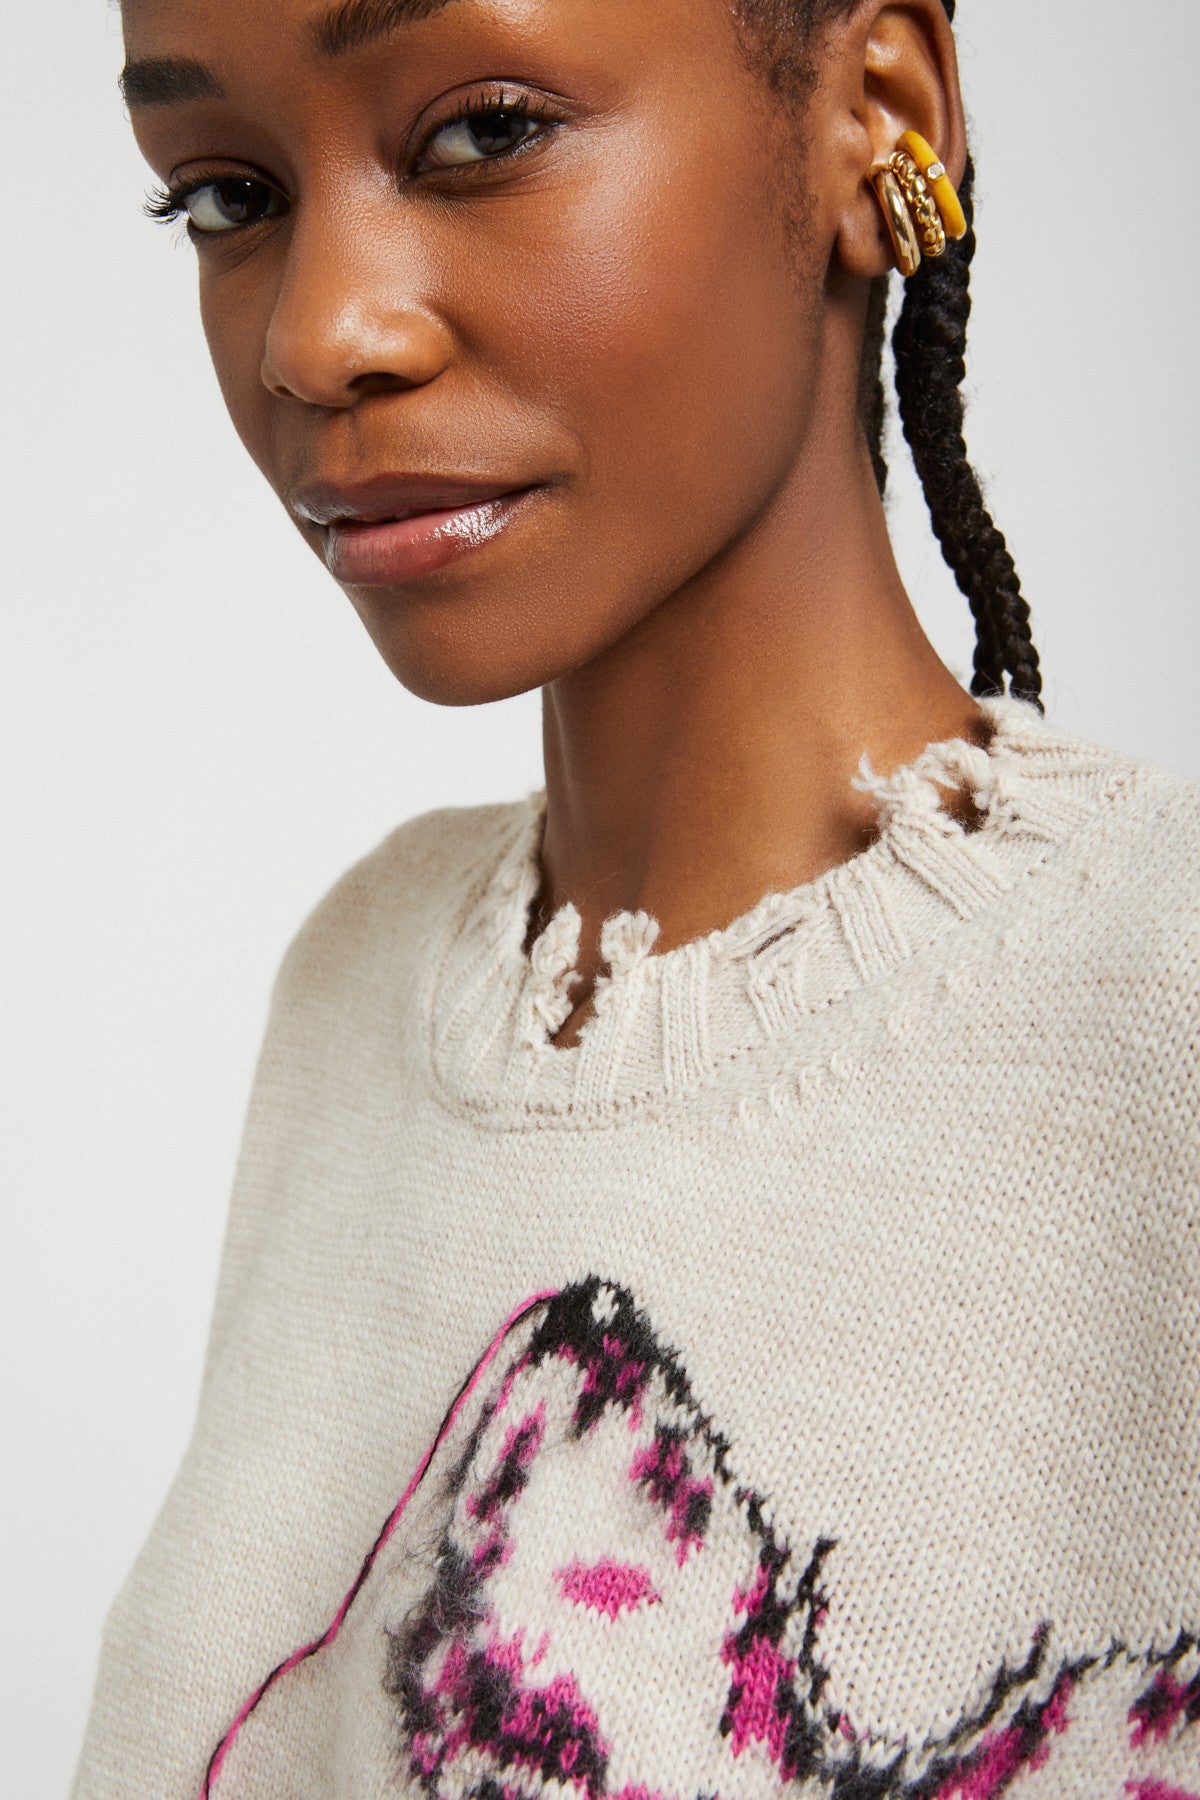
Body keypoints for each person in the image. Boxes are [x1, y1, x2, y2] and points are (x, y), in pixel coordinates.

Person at [75, 0, 1200, 1793]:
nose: (316, 336)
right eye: (226, 195)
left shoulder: (1162, 1011)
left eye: (483, 132)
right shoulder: (357, 985)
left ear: (878, 116)